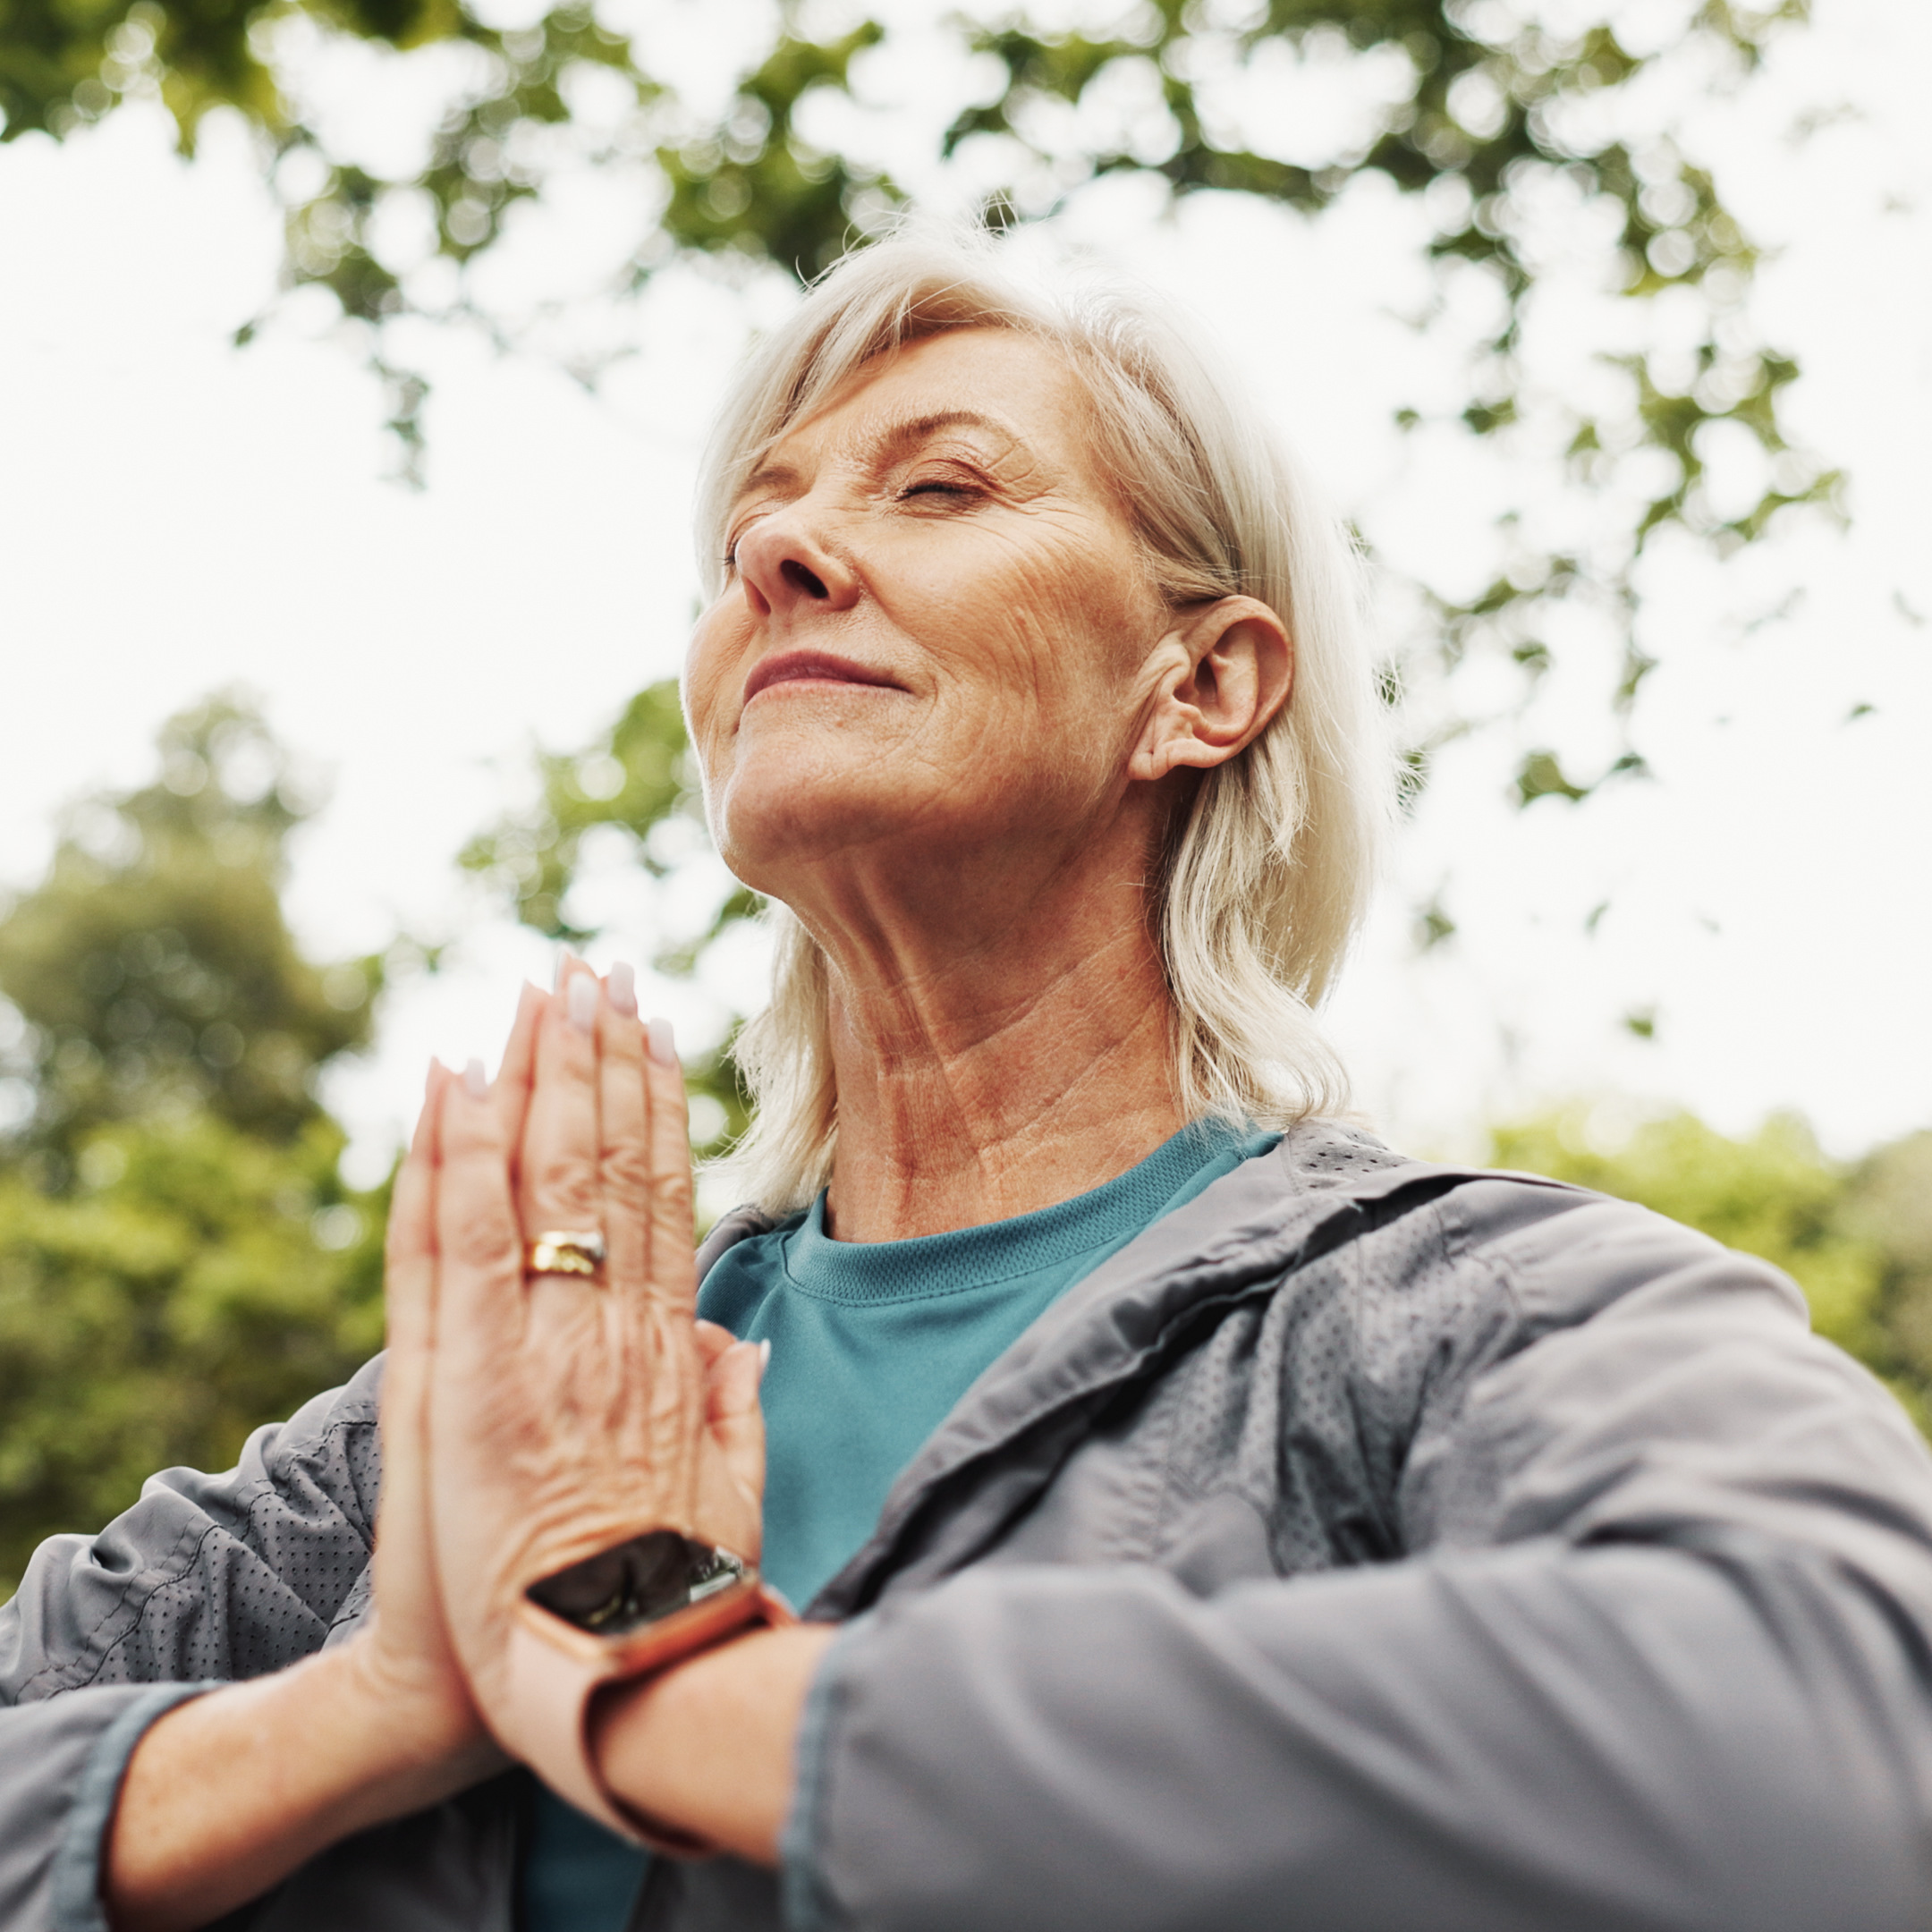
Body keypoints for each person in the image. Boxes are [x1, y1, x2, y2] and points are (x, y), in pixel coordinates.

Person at [6, 223, 1932, 1932]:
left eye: (942, 487)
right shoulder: (486, 1424)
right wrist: (382, 1705)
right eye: (753, 524)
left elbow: (1835, 1730)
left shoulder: (1455, 1320)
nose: (779, 549)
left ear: (1201, 689)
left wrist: (664, 1685)